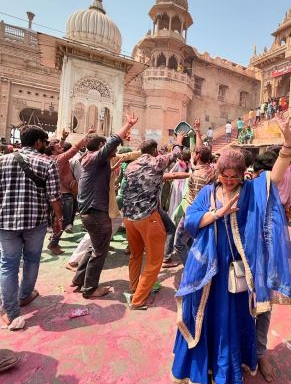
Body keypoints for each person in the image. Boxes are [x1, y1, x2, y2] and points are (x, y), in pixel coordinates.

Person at [171, 113, 291, 384]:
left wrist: (288, 145)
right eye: (224, 176)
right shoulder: (208, 192)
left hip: (234, 279)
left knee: (227, 330)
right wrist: (216, 214)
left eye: (234, 176)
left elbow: (275, 176)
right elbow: (190, 221)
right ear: (218, 173)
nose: (229, 181)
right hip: (205, 276)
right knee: (200, 326)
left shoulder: (252, 191)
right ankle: (199, 380)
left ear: (243, 174)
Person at [0, 125, 63, 327]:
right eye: (44, 142)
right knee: (32, 259)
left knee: (8, 265)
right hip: (35, 221)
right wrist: (58, 218)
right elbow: (54, 197)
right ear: (38, 143)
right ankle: (25, 295)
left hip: (6, 222)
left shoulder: (2, 161)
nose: (45, 146)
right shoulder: (47, 163)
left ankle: (10, 311)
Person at [71, 114, 138, 298]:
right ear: (101, 147)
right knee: (99, 251)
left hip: (90, 211)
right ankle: (90, 289)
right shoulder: (95, 159)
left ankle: (79, 280)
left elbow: (117, 151)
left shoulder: (88, 158)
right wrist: (128, 125)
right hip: (96, 213)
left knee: (94, 247)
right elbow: (114, 141)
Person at [122, 132, 184, 309]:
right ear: (155, 150)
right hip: (148, 217)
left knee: (135, 255)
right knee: (154, 261)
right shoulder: (155, 162)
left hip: (129, 217)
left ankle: (135, 288)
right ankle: (138, 300)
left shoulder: (131, 166)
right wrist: (178, 141)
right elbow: (175, 154)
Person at [173, 119, 216, 265]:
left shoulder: (197, 174)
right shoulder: (211, 170)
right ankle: (198, 262)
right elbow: (201, 150)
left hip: (192, 214)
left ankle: (191, 268)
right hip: (206, 214)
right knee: (192, 240)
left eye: (194, 153)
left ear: (197, 157)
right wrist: (197, 131)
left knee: (178, 243)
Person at [46, 128, 94, 254]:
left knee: (57, 219)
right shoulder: (61, 159)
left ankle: (54, 238)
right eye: (58, 147)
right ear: (54, 151)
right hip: (65, 195)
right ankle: (54, 243)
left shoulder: (50, 157)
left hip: (56, 194)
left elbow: (59, 148)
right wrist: (87, 135)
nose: (61, 147)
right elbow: (74, 148)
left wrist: (62, 139)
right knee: (64, 220)